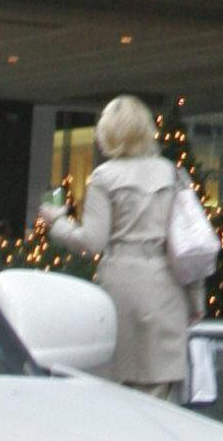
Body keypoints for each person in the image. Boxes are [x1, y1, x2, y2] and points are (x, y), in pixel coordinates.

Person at [36, 94, 200, 398]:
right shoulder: (174, 174)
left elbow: (92, 241)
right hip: (166, 289)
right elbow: (191, 245)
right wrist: (196, 299)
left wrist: (57, 223)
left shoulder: (104, 177)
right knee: (159, 396)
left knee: (116, 392)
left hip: (119, 288)